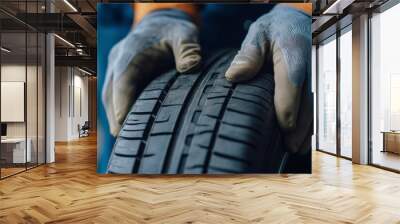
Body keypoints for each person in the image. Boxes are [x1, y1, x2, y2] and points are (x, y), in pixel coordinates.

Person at [102, 3, 312, 155]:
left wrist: (304, 9)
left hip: (266, 12)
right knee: (132, 143)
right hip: (140, 15)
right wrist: (163, 8)